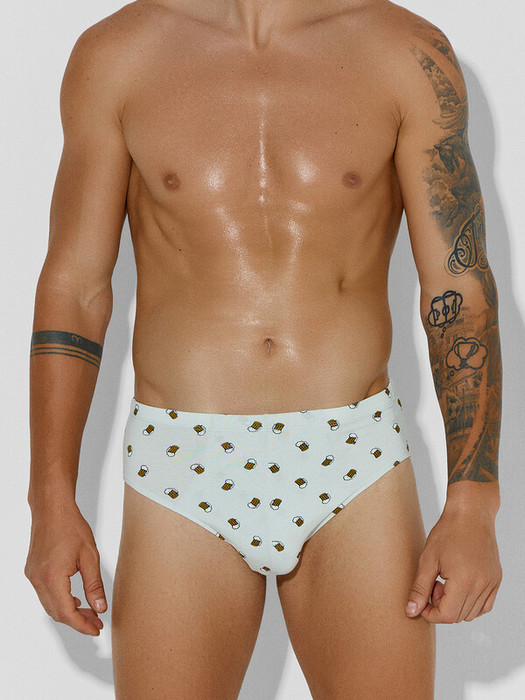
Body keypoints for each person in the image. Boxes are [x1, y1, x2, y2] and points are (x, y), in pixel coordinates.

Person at [25, 1, 503, 698]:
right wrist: (49, 500)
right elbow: (75, 286)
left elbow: (457, 286)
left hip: (354, 456)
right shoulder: (119, 53)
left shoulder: (403, 50)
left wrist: (473, 502)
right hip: (180, 461)